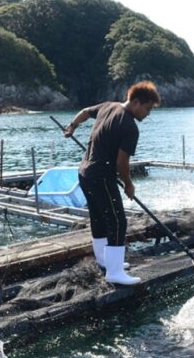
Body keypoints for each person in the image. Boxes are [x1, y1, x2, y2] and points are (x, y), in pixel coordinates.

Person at [64, 81, 160, 285]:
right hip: (101, 176)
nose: (148, 114)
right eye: (148, 108)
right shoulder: (130, 127)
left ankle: (105, 262)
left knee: (98, 218)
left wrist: (72, 126)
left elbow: (83, 112)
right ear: (135, 102)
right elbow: (121, 163)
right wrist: (128, 184)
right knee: (117, 221)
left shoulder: (108, 106)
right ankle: (114, 272)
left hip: (84, 173)